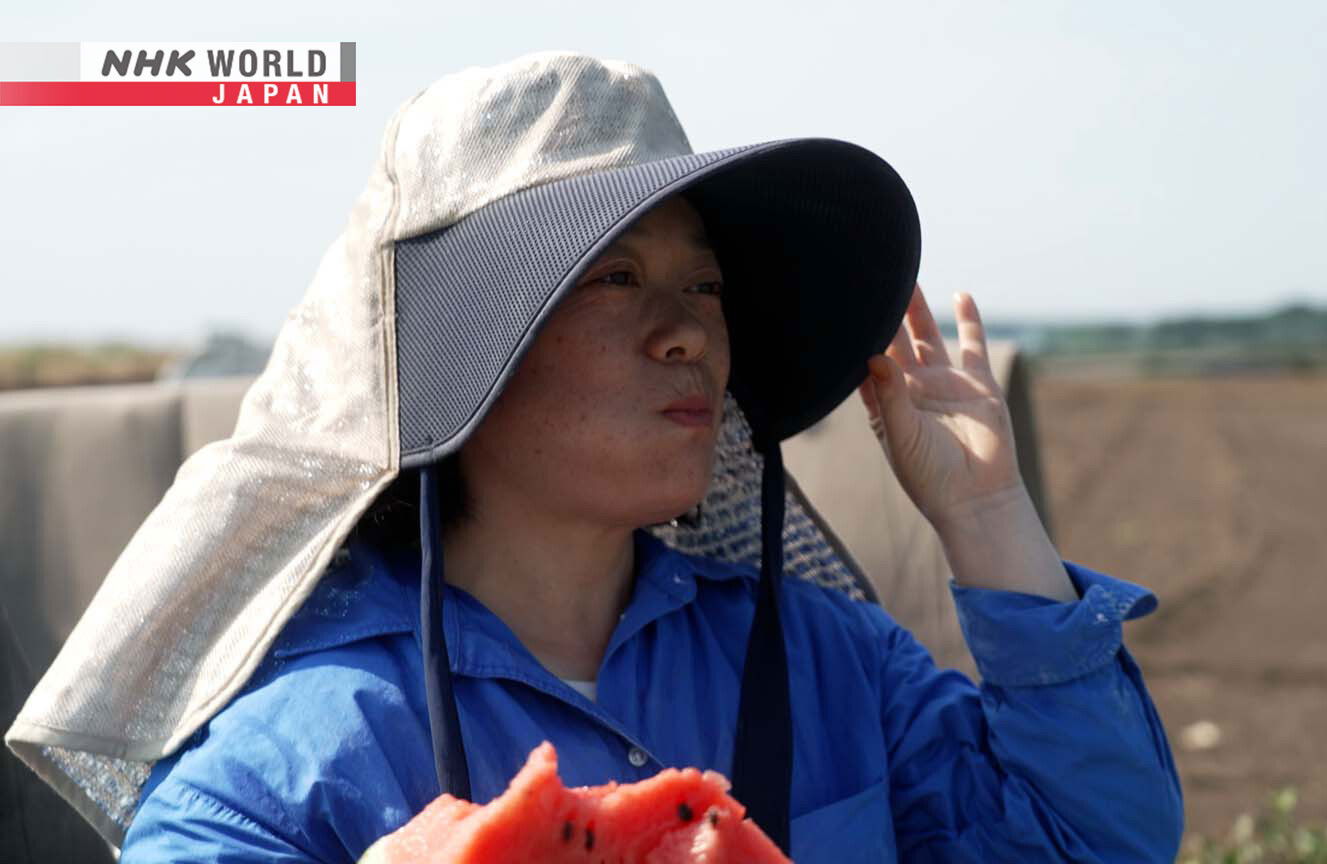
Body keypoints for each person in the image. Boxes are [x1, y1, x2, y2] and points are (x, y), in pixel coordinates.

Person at [8, 52, 1183, 863]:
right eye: (613, 276)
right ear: (458, 350)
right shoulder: (297, 754)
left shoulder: (837, 668)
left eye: (706, 287)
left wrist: (986, 515)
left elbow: (1093, 842)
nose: (689, 333)